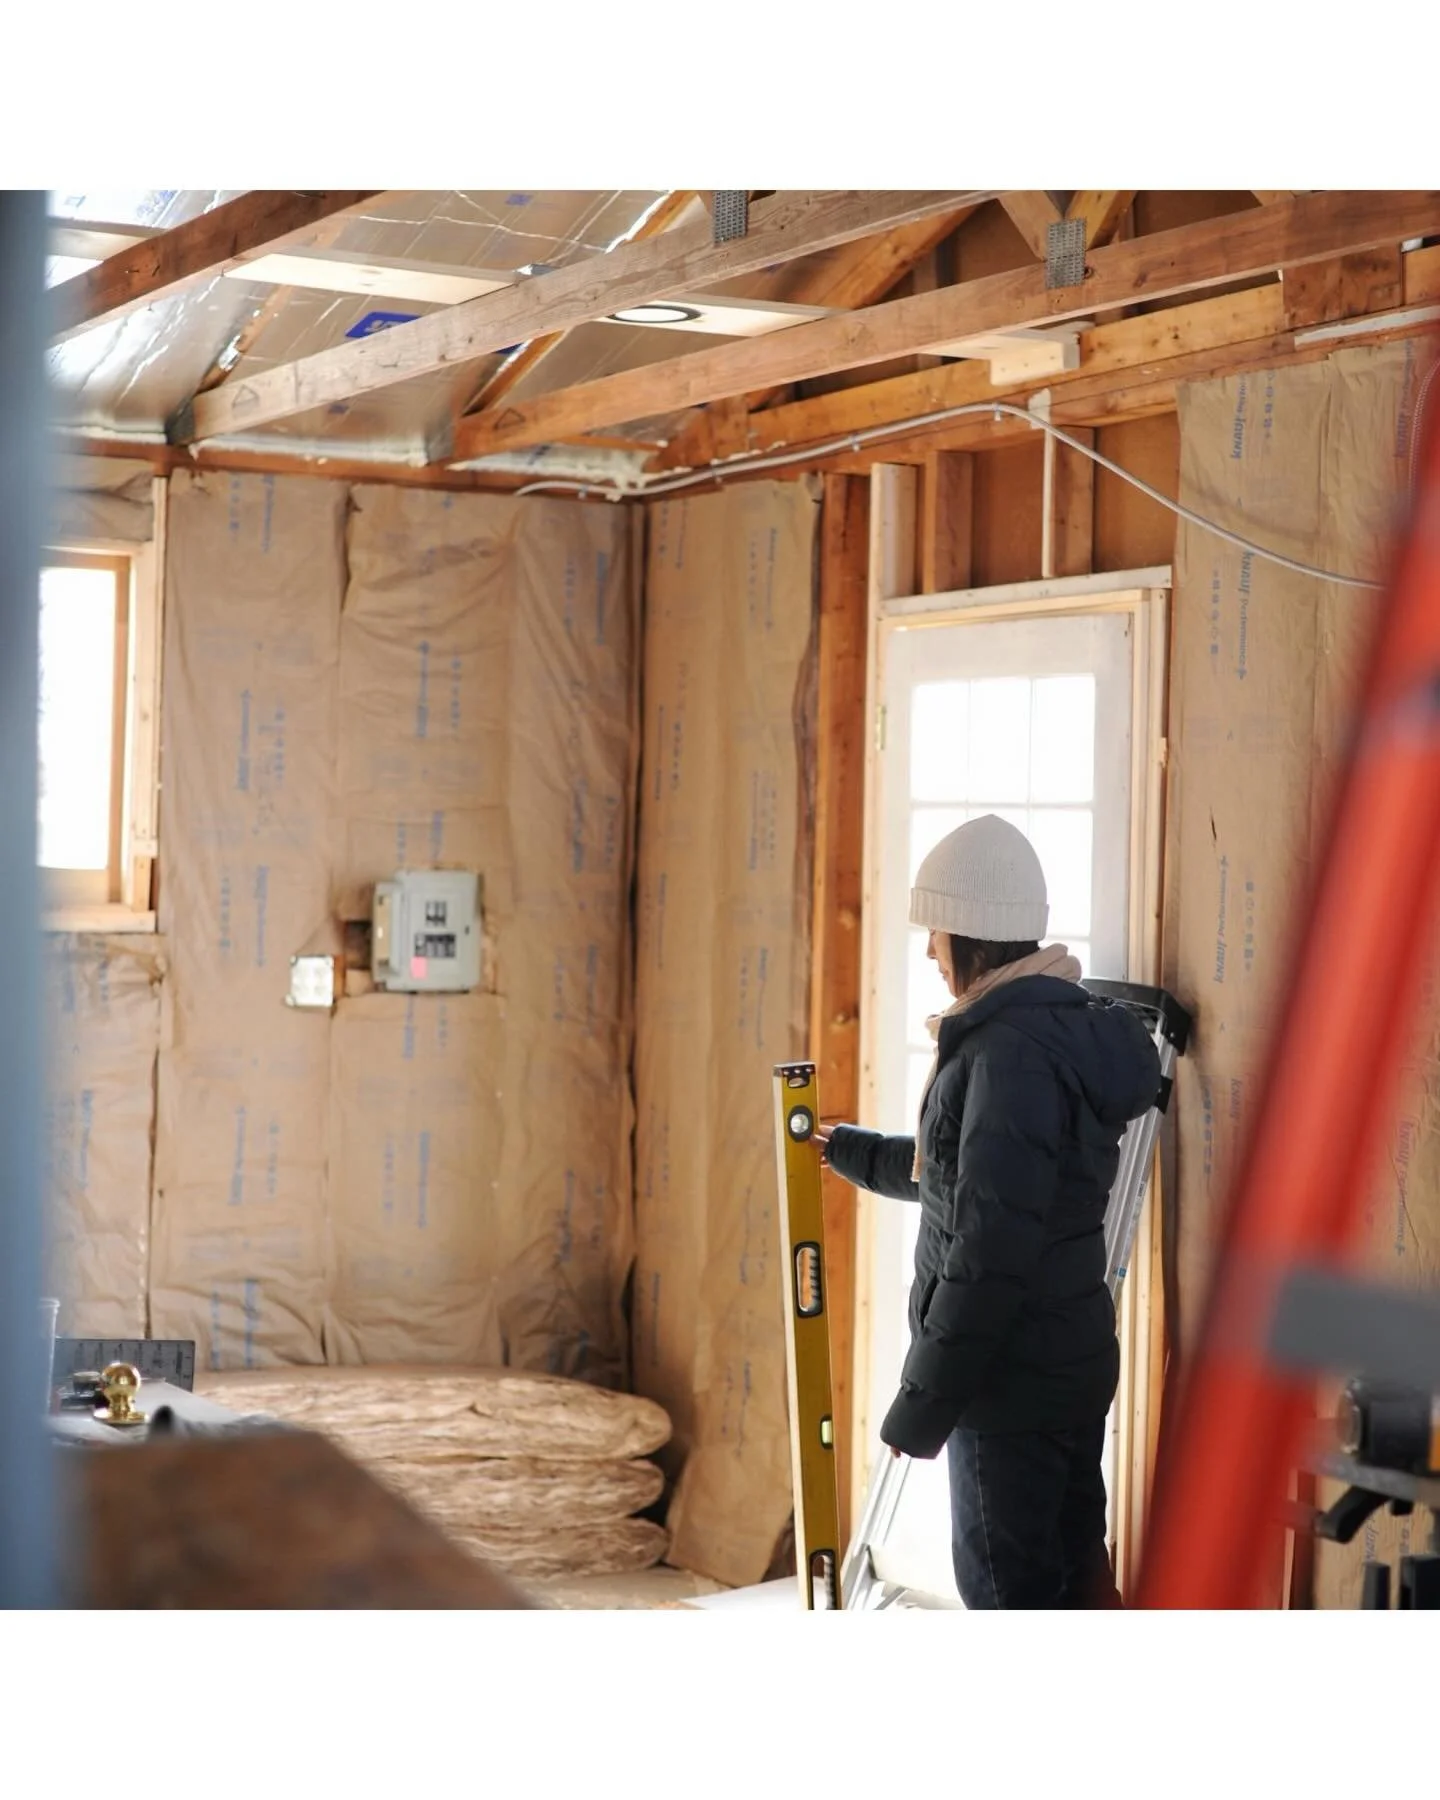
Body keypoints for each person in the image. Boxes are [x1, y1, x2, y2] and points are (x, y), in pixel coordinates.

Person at [817, 814, 1161, 1609]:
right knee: (1072, 1584)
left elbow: (989, 1248)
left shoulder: (1007, 1056)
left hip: (1008, 1386)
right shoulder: (1039, 1036)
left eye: (935, 931)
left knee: (1011, 1597)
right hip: (1060, 1367)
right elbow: (966, 1182)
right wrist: (852, 1151)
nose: (930, 951)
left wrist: (923, 1403)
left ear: (970, 932)